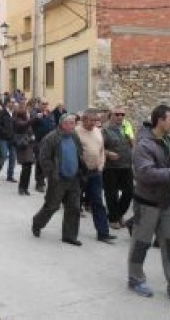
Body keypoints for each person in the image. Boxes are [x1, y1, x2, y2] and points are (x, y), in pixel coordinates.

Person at [128, 104, 170, 300]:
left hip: (166, 202)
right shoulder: (143, 145)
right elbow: (144, 173)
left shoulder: (168, 140)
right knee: (141, 243)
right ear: (160, 121)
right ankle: (136, 279)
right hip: (146, 203)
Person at [32, 114, 86, 246]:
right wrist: (52, 174)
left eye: (73, 123)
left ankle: (69, 236)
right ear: (62, 124)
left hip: (73, 178)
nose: (72, 126)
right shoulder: (51, 138)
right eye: (69, 123)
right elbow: (43, 159)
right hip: (58, 179)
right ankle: (37, 222)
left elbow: (79, 153)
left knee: (74, 207)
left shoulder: (74, 136)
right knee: (52, 206)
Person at [76, 109, 116, 243]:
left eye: (96, 120)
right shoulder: (76, 132)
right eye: (92, 120)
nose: (94, 123)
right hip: (80, 173)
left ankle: (103, 233)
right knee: (75, 203)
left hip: (95, 172)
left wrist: (101, 165)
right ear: (84, 119)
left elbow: (101, 150)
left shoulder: (97, 131)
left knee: (98, 202)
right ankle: (71, 232)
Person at [102, 107, 134, 230]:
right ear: (111, 115)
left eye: (122, 114)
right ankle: (114, 219)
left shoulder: (126, 127)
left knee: (129, 192)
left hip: (126, 165)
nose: (120, 117)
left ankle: (117, 214)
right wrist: (108, 153)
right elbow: (100, 147)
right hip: (111, 167)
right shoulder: (105, 130)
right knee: (111, 193)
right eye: (117, 114)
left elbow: (132, 143)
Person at [31, 99, 56, 192]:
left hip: (49, 142)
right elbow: (32, 124)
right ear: (39, 104)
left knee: (49, 162)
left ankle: (45, 181)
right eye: (43, 104)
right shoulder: (36, 114)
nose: (45, 105)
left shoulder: (50, 114)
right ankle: (39, 183)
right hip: (39, 141)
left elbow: (53, 125)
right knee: (40, 162)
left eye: (46, 103)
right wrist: (37, 118)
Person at [13, 105, 34, 195]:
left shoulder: (26, 122)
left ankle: (25, 187)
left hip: (28, 146)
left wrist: (32, 137)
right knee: (25, 168)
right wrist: (35, 118)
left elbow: (30, 131)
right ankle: (21, 187)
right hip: (22, 146)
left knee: (28, 168)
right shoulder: (17, 121)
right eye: (26, 113)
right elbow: (24, 125)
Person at [0, 98, 17, 183]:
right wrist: (4, 132)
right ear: (7, 103)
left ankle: (10, 176)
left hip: (12, 138)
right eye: (11, 102)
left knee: (13, 157)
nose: (13, 104)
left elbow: (16, 124)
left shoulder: (14, 113)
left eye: (14, 102)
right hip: (3, 138)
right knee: (3, 155)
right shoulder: (2, 113)